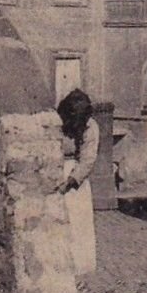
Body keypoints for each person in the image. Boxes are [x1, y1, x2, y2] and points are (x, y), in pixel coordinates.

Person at [55, 89, 99, 277]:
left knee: (77, 224)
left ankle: (79, 266)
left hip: (76, 182)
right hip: (57, 170)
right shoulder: (58, 121)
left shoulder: (90, 127)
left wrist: (70, 181)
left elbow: (87, 160)